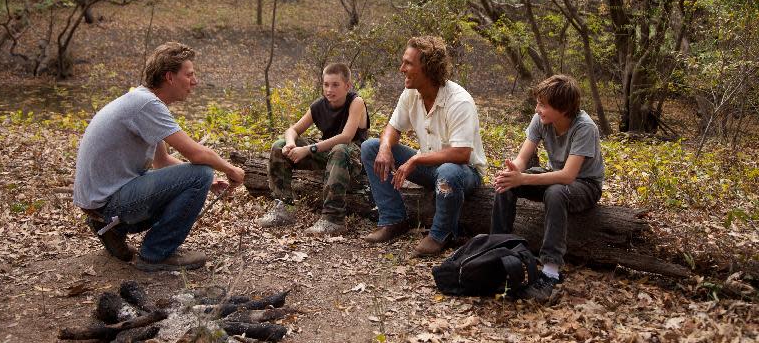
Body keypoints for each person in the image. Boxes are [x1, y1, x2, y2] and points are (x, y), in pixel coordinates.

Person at [73, 42, 245, 272]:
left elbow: (162, 162)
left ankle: (112, 230)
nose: (195, 81)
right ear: (169, 77)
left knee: (202, 176)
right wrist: (230, 170)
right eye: (189, 75)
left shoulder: (141, 100)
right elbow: (197, 153)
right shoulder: (146, 104)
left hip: (101, 203)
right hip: (109, 203)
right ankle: (156, 254)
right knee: (202, 171)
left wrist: (210, 183)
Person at [361, 36, 487, 257]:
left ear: (428, 68)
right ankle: (393, 220)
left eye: (408, 63)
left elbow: (462, 153)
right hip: (431, 168)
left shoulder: (459, 101)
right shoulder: (411, 93)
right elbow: (392, 128)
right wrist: (384, 148)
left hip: (464, 173)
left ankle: (441, 235)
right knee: (371, 147)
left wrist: (415, 160)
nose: (402, 69)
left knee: (448, 171)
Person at [490, 74, 604, 301]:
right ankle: (496, 249)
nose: (537, 109)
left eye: (543, 105)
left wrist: (522, 179)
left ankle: (550, 272)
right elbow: (523, 158)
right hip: (555, 177)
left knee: (555, 192)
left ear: (562, 109)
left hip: (585, 184)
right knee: (506, 184)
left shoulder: (585, 128)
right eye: (538, 103)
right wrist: (514, 173)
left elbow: (568, 176)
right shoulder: (540, 120)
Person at [257, 63, 370, 235]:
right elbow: (292, 130)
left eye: (335, 85)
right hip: (326, 153)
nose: (329, 89)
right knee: (279, 146)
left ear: (347, 86)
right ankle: (284, 208)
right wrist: (290, 143)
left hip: (352, 155)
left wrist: (309, 149)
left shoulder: (356, 102)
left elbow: (346, 137)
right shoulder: (319, 105)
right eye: (326, 84)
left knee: (339, 149)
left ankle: (333, 219)